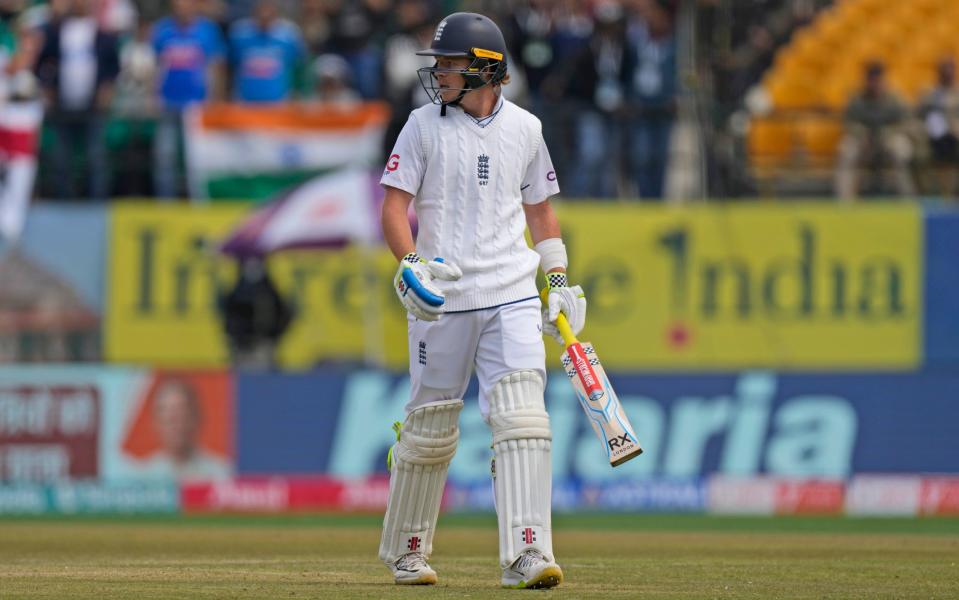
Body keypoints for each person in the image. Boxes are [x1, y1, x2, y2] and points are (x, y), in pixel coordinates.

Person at [377, 12, 586, 590]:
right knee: (429, 429)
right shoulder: (421, 126)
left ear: (485, 70)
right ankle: (407, 551)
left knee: (523, 418)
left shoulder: (526, 127)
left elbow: (540, 211)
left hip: (513, 291)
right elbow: (395, 208)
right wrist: (411, 264)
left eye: (449, 63)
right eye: (438, 62)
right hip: (444, 296)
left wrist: (560, 278)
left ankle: (527, 553)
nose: (438, 72)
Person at [834, 61, 915, 201]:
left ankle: (907, 199)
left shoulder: (894, 98)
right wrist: (861, 133)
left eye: (878, 79)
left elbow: (905, 121)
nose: (875, 83)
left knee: (901, 151)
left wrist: (887, 132)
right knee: (846, 151)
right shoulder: (857, 98)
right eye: (872, 79)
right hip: (863, 139)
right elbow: (848, 122)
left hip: (889, 138)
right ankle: (844, 201)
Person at [137, 377, 232, 481]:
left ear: (196, 417)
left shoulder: (221, 472)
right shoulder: (144, 476)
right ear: (155, 423)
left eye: (181, 412)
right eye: (167, 414)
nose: (174, 422)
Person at [916, 58, 959, 199]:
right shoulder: (928, 93)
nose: (947, 74)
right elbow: (916, 117)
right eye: (944, 71)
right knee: (920, 155)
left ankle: (953, 193)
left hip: (955, 137)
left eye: (950, 70)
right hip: (931, 139)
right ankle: (928, 194)